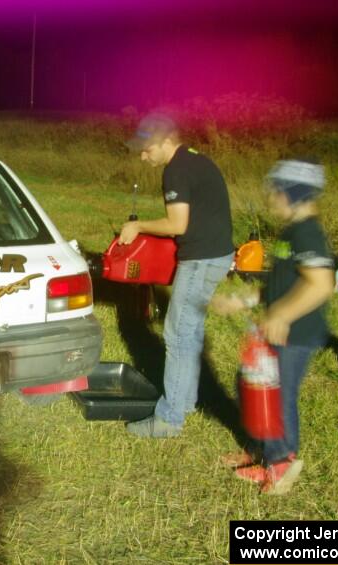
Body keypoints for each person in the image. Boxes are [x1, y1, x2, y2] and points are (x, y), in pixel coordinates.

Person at [212, 159, 334, 495]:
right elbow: (280, 283)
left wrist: (280, 314)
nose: (271, 198)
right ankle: (259, 451)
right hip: (277, 328)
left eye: (276, 192)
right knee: (251, 385)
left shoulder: (308, 231)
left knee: (279, 397)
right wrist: (245, 301)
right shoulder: (290, 232)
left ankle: (280, 463)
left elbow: (321, 283)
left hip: (296, 333)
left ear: (293, 193)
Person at [121, 113, 234, 438]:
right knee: (191, 332)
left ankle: (169, 419)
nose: (143, 156)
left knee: (176, 336)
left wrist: (138, 225)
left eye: (146, 149)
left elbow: (177, 225)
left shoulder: (176, 170)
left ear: (165, 140)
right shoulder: (196, 160)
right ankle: (186, 402)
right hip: (217, 255)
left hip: (201, 260)